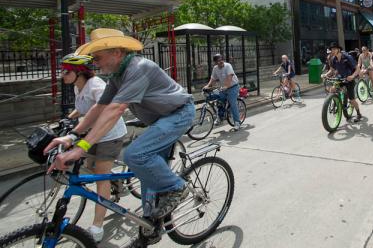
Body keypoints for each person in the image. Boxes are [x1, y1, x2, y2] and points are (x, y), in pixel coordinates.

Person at [45, 28, 195, 223]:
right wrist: (72, 136)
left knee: (134, 155)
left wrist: (81, 147)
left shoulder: (138, 67)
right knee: (145, 171)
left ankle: (177, 186)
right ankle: (150, 224)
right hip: (160, 120)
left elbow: (115, 110)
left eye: (97, 57)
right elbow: (100, 107)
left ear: (116, 52)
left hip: (178, 113)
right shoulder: (117, 75)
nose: (94, 63)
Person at [61, 54, 127, 243]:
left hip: (110, 134)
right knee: (90, 167)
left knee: (100, 177)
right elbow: (83, 108)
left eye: (66, 72)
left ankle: (97, 226)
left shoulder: (96, 85)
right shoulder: (78, 87)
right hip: (92, 136)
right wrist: (69, 118)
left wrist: (77, 130)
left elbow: (102, 107)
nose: (62, 76)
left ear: (79, 72)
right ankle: (114, 181)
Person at [322, 42, 363, 122]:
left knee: (352, 99)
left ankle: (359, 114)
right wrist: (326, 74)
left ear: (339, 49)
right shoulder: (334, 59)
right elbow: (332, 70)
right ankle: (335, 102)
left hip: (349, 79)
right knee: (332, 89)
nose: (332, 51)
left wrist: (352, 76)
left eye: (334, 49)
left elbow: (357, 68)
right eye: (331, 50)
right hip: (340, 78)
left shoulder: (347, 57)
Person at [204, 54, 242, 131]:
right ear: (215, 62)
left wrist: (226, 86)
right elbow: (213, 79)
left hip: (233, 87)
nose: (220, 61)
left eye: (221, 59)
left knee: (232, 103)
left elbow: (229, 77)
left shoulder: (228, 66)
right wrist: (207, 86)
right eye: (218, 60)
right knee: (219, 101)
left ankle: (237, 122)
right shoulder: (215, 68)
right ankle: (220, 118)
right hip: (223, 88)